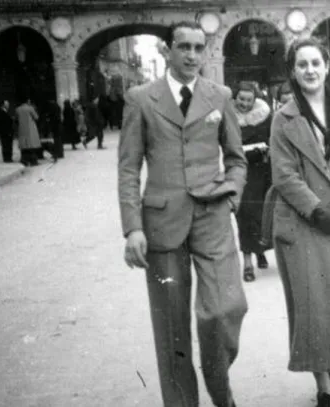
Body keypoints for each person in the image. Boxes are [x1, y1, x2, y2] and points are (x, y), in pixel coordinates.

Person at [117, 21, 248, 407]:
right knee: (171, 329)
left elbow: (237, 159)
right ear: (167, 50)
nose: (192, 55)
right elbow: (128, 168)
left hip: (212, 216)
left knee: (224, 309)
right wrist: (132, 228)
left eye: (198, 47)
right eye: (184, 47)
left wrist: (231, 197)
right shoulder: (141, 99)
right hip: (162, 223)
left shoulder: (219, 95)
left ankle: (220, 392)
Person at [269, 37, 330, 407]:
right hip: (303, 222)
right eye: (302, 64)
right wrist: (315, 210)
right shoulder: (284, 119)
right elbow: (284, 175)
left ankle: (326, 359)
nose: (310, 70)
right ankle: (324, 385)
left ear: (327, 67)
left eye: (316, 63)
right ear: (293, 71)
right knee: (314, 306)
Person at [233, 81, 272, 282]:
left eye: (249, 100)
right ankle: (247, 262)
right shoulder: (227, 116)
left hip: (262, 172)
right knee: (244, 214)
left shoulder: (265, 115)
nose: (245, 104)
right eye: (241, 99)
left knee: (261, 214)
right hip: (240, 172)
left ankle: (260, 251)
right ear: (235, 98)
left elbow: (272, 139)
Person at [16, 98, 41, 167]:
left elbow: (16, 119)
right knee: (31, 145)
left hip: (22, 129)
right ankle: (33, 160)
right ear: (27, 101)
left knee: (24, 145)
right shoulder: (30, 108)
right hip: (30, 129)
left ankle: (24, 159)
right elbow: (36, 117)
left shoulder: (17, 109)